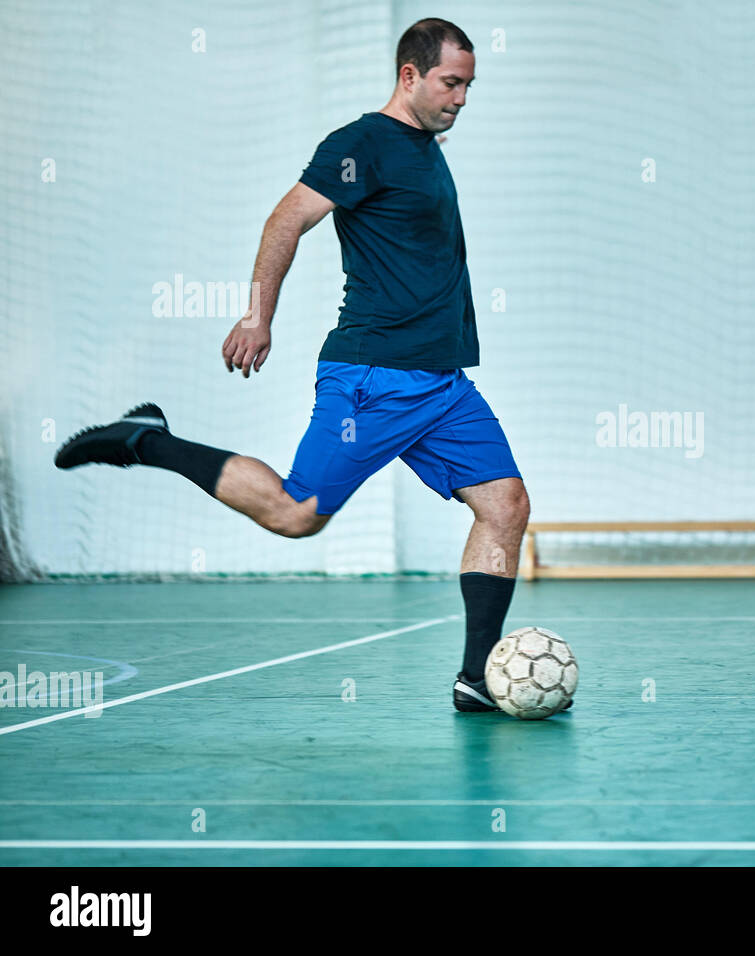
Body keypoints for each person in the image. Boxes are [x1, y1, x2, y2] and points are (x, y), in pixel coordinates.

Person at [54, 18, 549, 714]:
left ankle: (475, 678)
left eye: (469, 85)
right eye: (450, 82)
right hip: (374, 378)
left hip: (442, 384)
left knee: (506, 506)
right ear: (410, 74)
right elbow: (285, 220)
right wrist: (259, 315)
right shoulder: (361, 145)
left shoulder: (424, 145)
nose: (462, 98)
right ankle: (148, 440)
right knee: (295, 514)